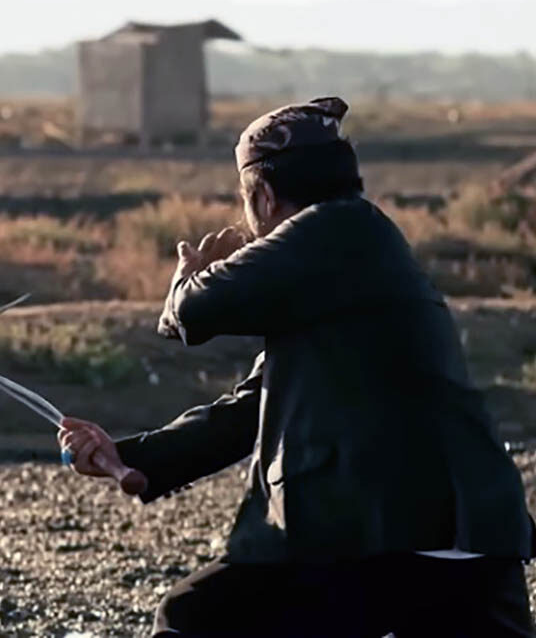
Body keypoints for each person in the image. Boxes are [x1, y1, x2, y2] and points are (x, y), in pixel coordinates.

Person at [59, 97, 535, 637]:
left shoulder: (331, 231)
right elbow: (252, 408)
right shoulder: (347, 258)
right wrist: (129, 457)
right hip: (467, 534)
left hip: (390, 531)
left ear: (261, 195)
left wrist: (188, 276)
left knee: (198, 617)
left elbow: (192, 311)